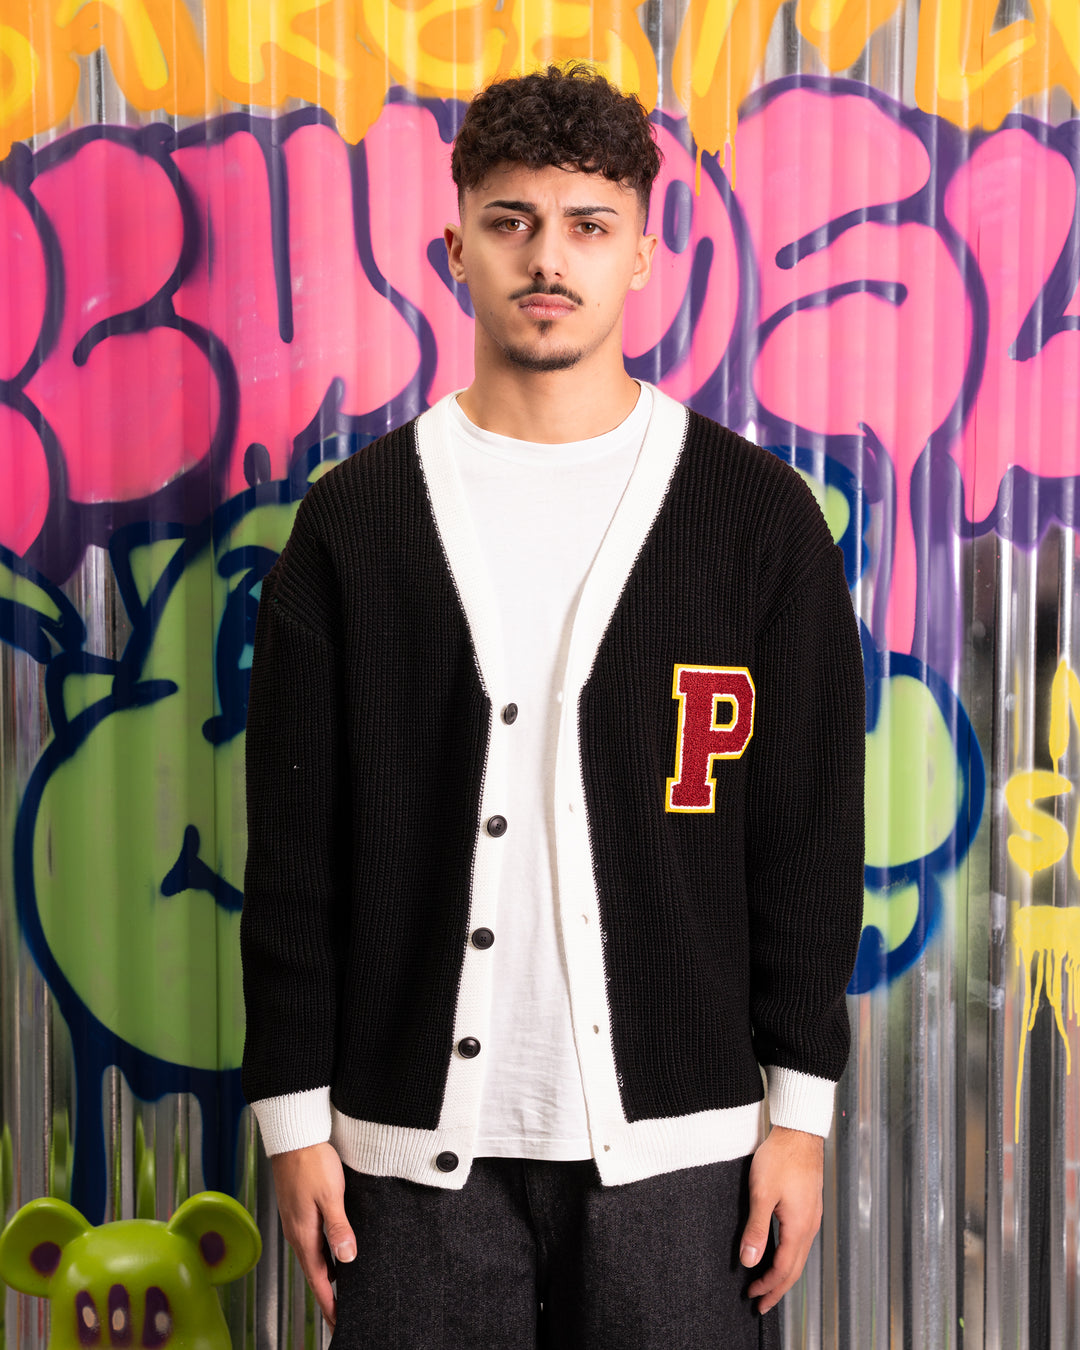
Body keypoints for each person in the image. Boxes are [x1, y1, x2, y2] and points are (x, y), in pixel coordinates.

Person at [241, 63, 864, 1349]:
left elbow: (807, 842)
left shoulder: (756, 521)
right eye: (511, 221)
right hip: (406, 1153)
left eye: (588, 225)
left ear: (642, 253)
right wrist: (294, 1123)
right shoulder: (355, 524)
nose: (547, 258)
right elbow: (295, 854)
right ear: (454, 245)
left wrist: (799, 1118)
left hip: (685, 1154)